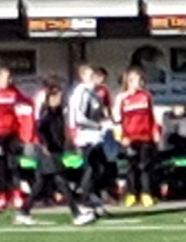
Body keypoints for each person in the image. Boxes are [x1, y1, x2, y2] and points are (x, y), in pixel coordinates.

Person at [15, 79, 97, 227]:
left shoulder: (58, 112)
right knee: (61, 181)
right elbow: (40, 130)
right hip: (48, 153)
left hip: (56, 151)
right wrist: (46, 145)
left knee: (41, 183)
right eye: (57, 96)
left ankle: (24, 211)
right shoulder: (47, 113)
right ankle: (76, 214)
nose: (61, 98)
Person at [0, 67, 29, 210]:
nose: (7, 80)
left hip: (12, 133)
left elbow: (26, 105)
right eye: (4, 77)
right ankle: (1, 196)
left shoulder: (15, 93)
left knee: (14, 164)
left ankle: (16, 194)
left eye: (9, 77)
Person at [115, 67, 159, 208]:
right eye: (137, 80)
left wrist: (155, 132)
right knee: (131, 166)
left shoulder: (146, 96)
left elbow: (151, 116)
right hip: (130, 138)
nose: (140, 83)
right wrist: (122, 136)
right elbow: (117, 119)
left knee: (145, 166)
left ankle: (146, 193)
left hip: (145, 137)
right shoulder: (122, 98)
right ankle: (131, 194)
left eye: (141, 80)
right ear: (129, 81)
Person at [68, 64, 109, 212]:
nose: (94, 78)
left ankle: (93, 198)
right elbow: (78, 118)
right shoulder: (82, 92)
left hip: (96, 137)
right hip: (86, 137)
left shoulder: (94, 93)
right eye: (90, 75)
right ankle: (84, 200)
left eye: (94, 75)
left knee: (100, 168)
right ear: (83, 77)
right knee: (90, 169)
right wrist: (96, 125)